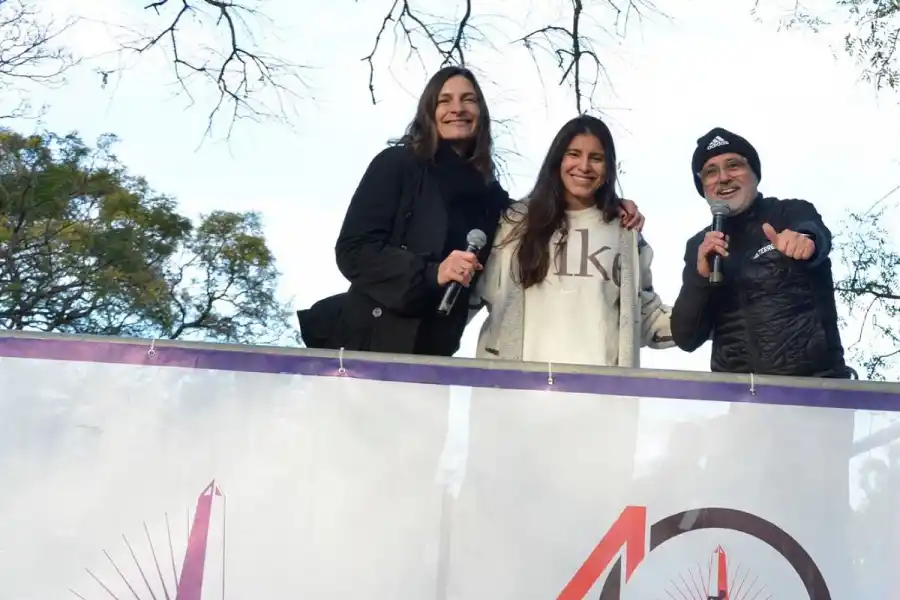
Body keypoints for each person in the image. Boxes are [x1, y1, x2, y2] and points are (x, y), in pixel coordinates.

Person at [298, 66, 644, 356]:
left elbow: (542, 214)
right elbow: (353, 251)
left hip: (434, 353)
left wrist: (609, 206)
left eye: (468, 100)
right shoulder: (398, 165)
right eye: (444, 100)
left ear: (481, 113)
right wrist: (431, 272)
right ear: (429, 112)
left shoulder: (490, 196)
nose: (457, 108)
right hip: (371, 344)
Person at [473, 115, 673, 366]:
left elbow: (645, 317)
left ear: (608, 167)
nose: (584, 166)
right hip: (516, 391)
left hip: (598, 395)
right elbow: (473, 295)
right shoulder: (513, 224)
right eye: (574, 154)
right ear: (558, 160)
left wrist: (707, 308)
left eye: (596, 158)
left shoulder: (625, 231)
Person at [670, 127, 849, 378]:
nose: (723, 178)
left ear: (755, 174)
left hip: (816, 395)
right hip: (742, 405)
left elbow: (814, 235)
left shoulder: (790, 213)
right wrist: (700, 280)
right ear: (703, 187)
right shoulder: (700, 246)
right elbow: (686, 338)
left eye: (733, 165)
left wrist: (805, 241)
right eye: (711, 171)